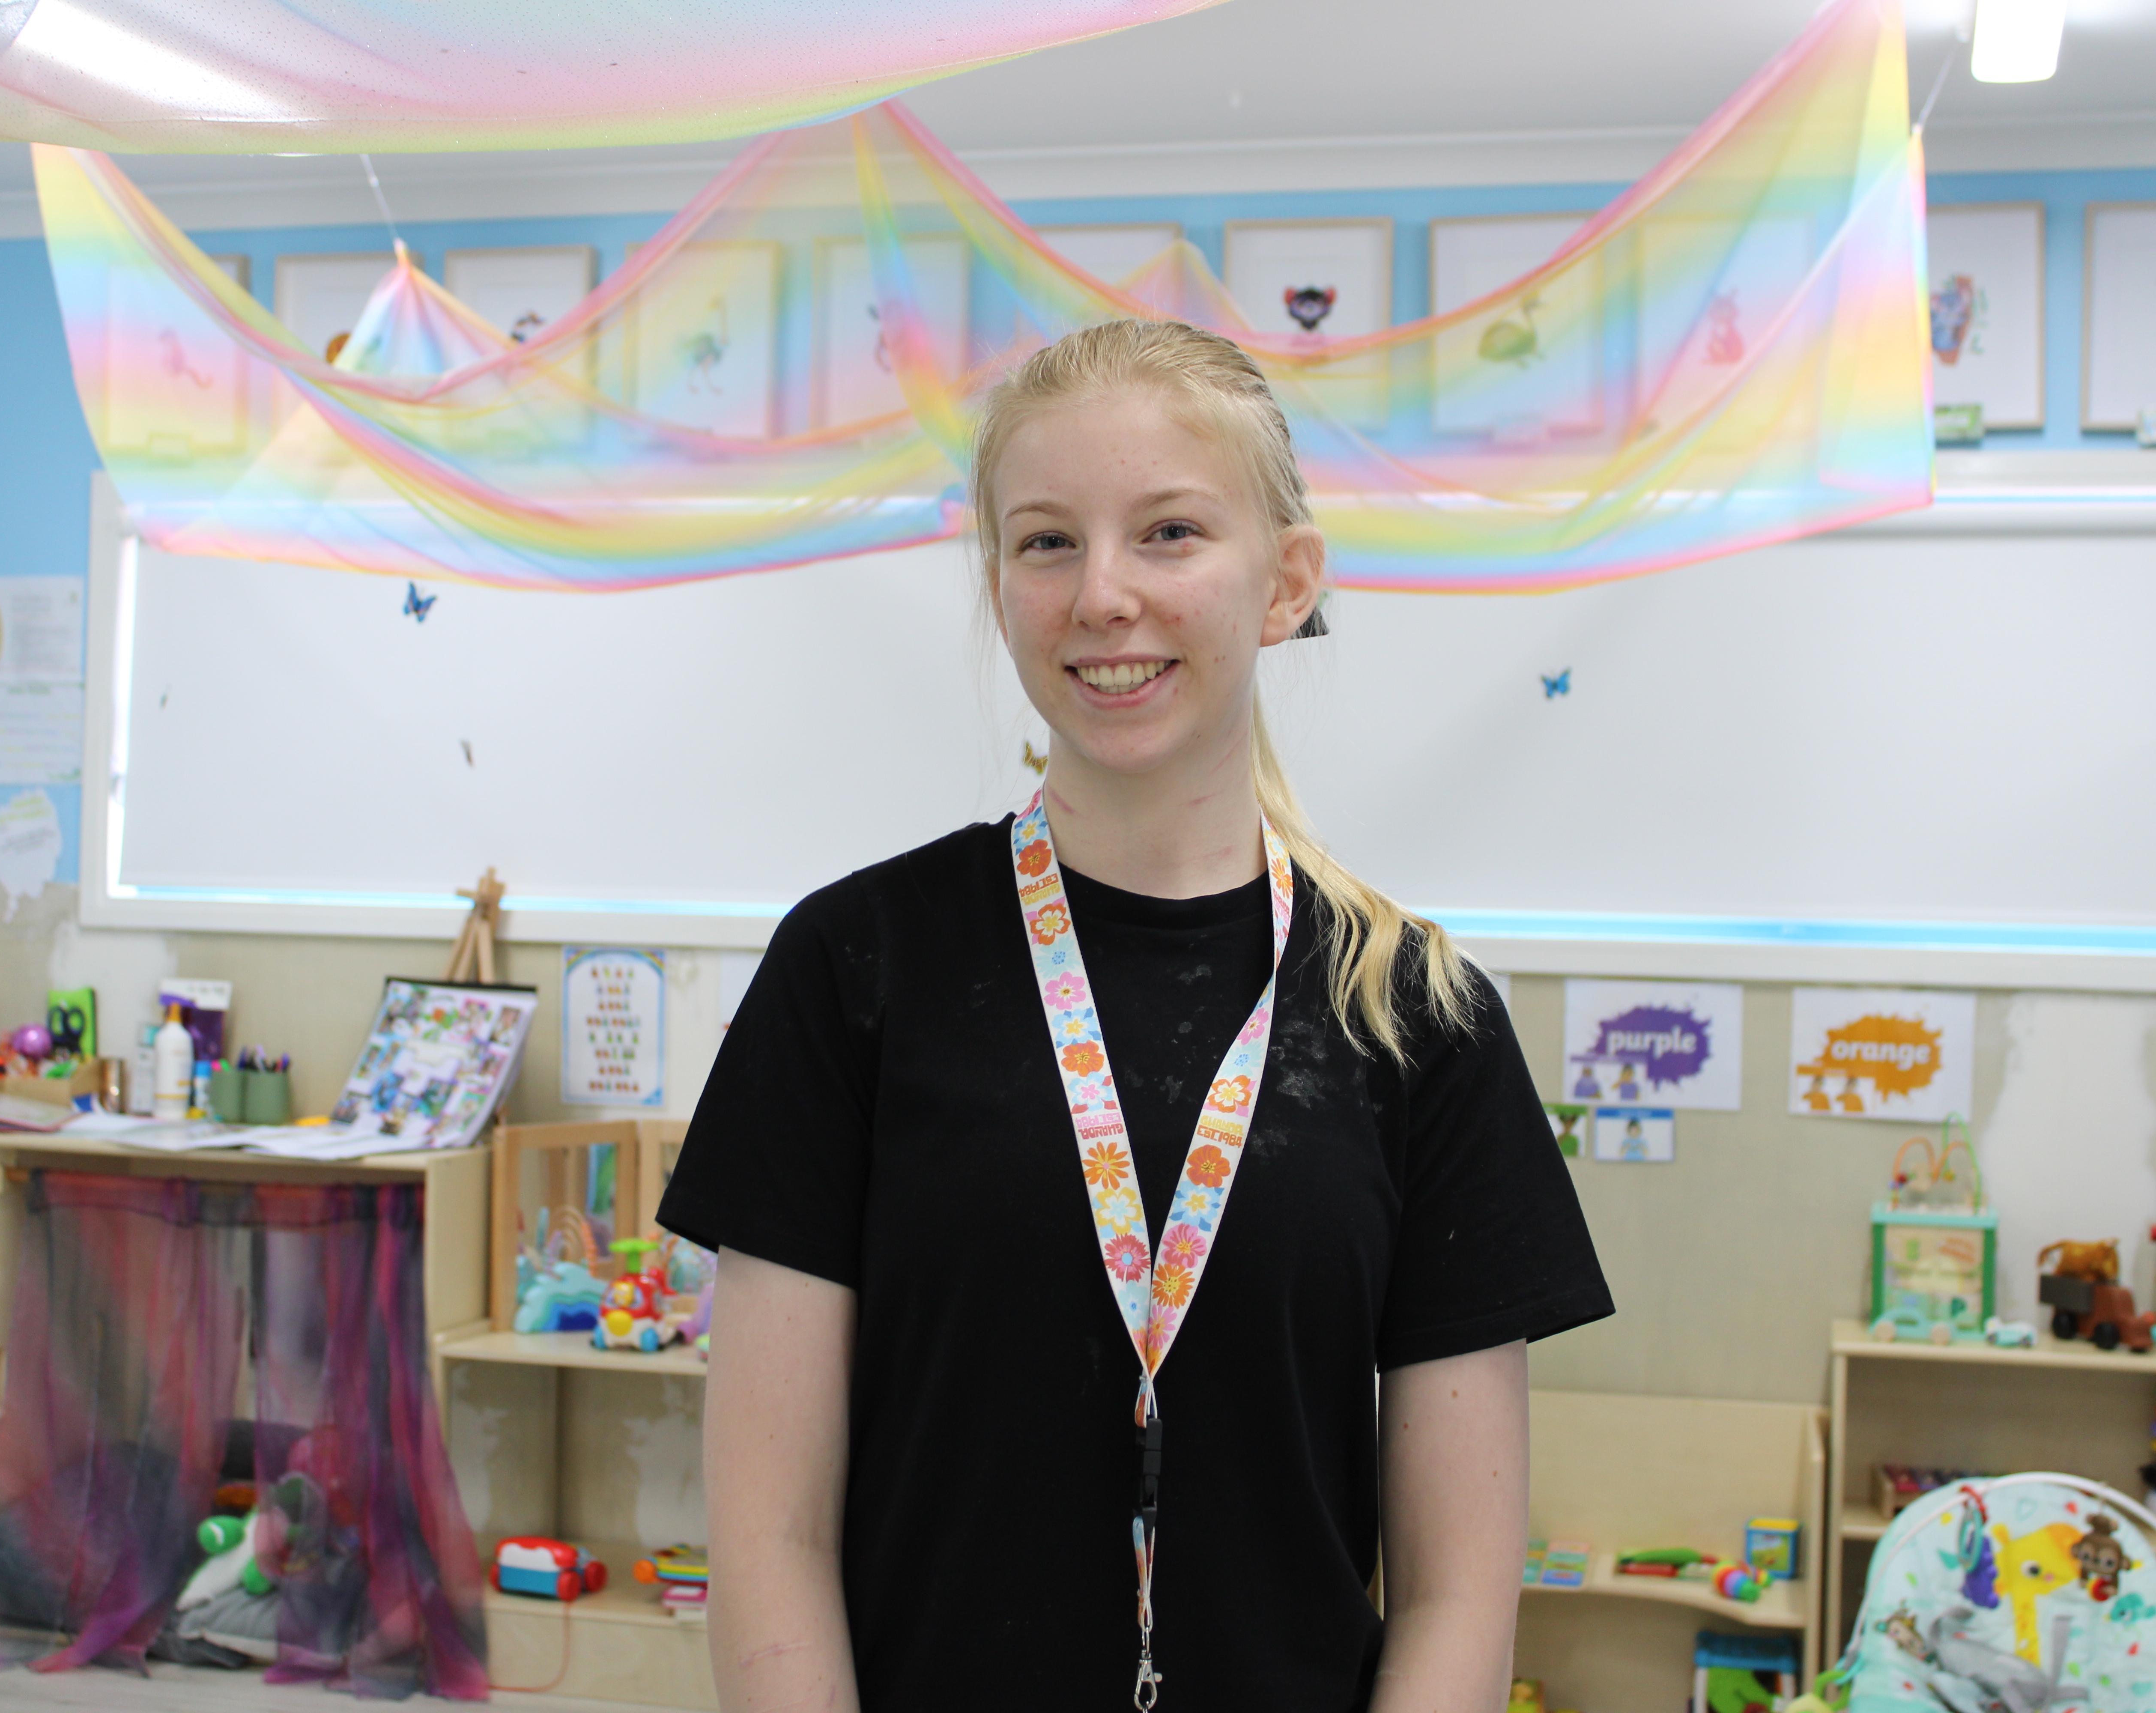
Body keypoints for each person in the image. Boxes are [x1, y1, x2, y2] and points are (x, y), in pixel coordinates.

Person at [660, 319, 1612, 1713]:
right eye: (1048, 543)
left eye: (1169, 533)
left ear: (1285, 584)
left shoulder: (1417, 1017)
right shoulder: (855, 967)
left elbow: (1461, 1592)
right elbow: (769, 1534)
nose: (1103, 595)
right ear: (999, 583)